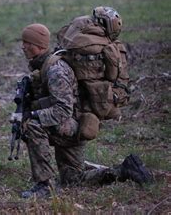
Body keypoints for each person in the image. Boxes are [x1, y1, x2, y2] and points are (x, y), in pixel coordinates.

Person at [11, 23, 153, 199]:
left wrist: (32, 115)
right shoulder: (45, 66)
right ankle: (124, 170)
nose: (23, 46)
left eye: (27, 42)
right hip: (72, 124)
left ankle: (44, 185)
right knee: (73, 180)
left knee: (33, 125)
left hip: (70, 125)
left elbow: (63, 110)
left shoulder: (56, 70)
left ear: (40, 45)